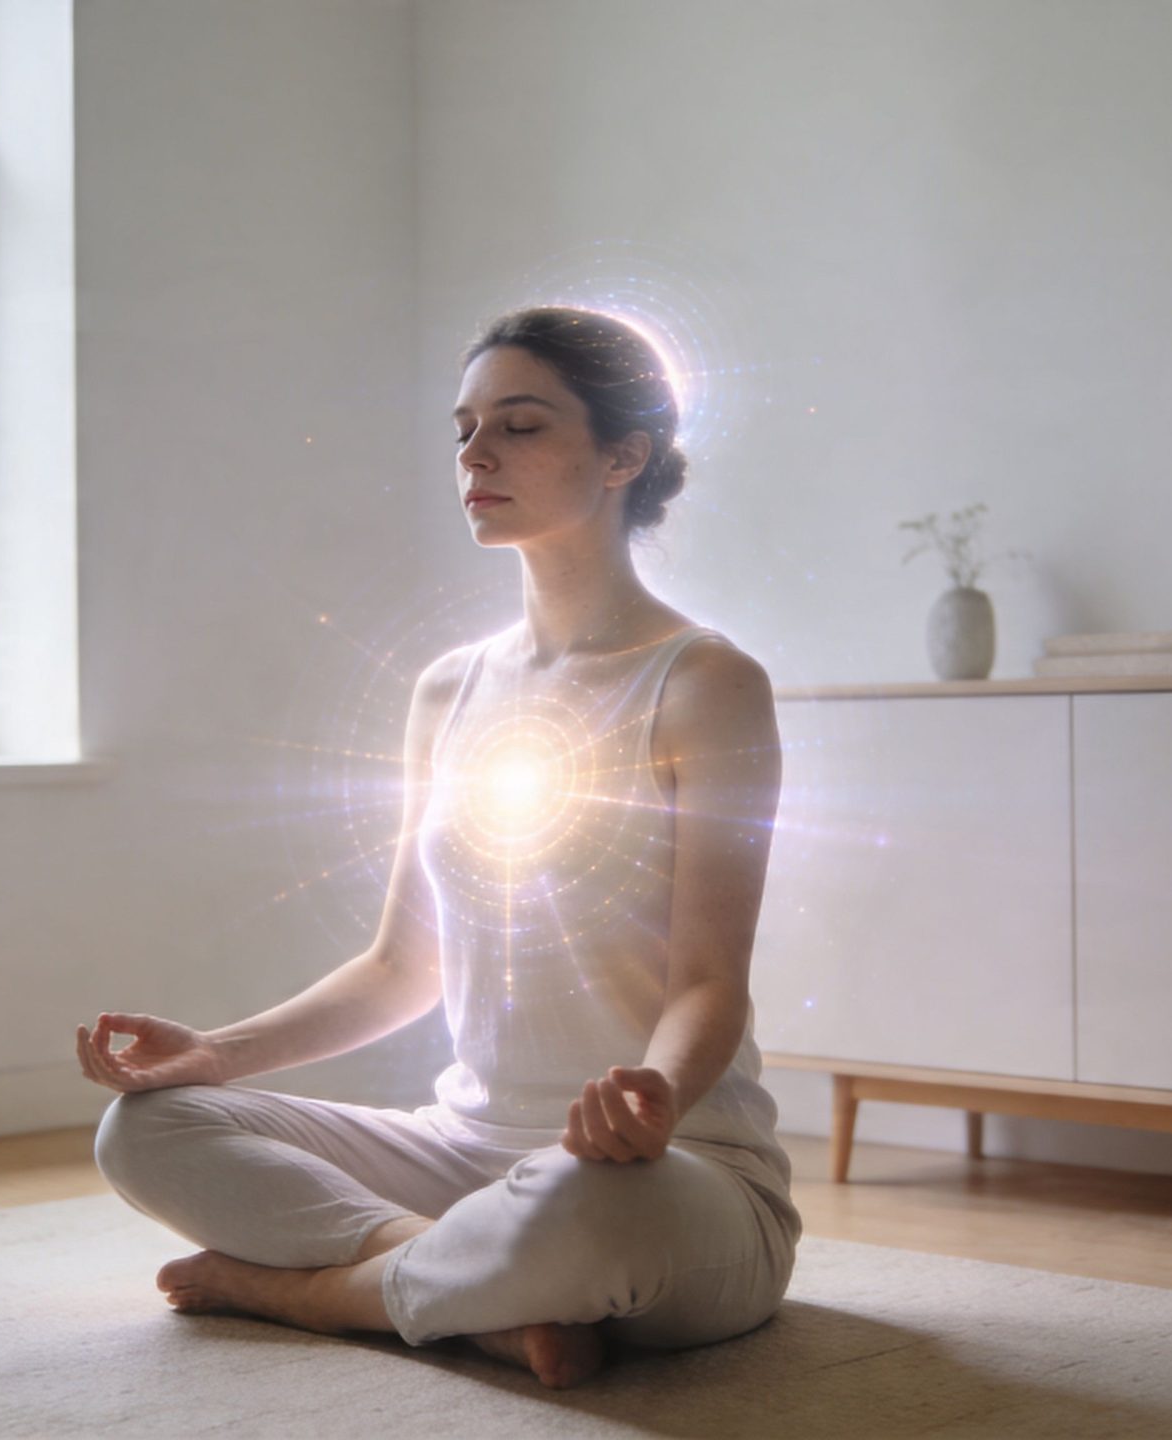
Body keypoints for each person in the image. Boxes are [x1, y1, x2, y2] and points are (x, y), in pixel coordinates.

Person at [77, 305, 796, 1391]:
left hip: (664, 1173)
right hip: (463, 1160)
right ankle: (461, 1290)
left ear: (623, 455)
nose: (475, 454)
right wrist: (217, 1056)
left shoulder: (705, 684)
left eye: (519, 426)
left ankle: (306, 1293)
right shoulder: (450, 689)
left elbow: (708, 980)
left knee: (576, 1207)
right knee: (145, 1129)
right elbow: (400, 968)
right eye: (463, 428)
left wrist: (652, 1098)